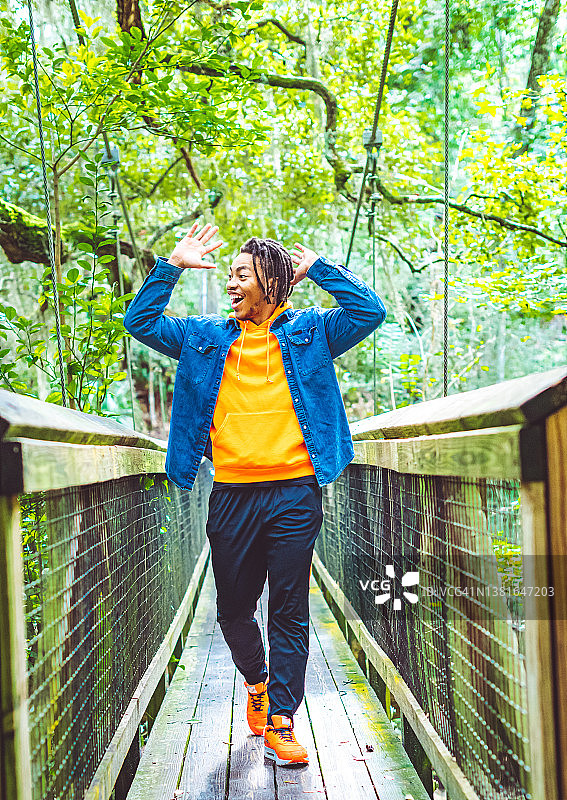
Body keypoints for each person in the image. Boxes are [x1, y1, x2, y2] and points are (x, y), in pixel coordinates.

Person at [123, 221, 386, 766]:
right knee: (233, 608)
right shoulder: (204, 336)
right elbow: (140, 321)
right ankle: (258, 681)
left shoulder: (312, 332)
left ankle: (284, 720)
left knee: (289, 605)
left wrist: (318, 269)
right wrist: (172, 265)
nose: (233, 284)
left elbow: (369, 312)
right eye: (233, 275)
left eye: (243, 275)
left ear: (271, 281)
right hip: (232, 494)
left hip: (296, 491)